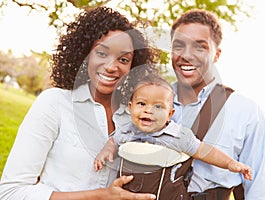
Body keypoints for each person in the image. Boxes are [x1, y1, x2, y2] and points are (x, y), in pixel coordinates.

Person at [0, 6, 158, 200]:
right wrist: (102, 196)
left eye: (123, 59)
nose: (111, 66)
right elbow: (11, 192)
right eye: (101, 53)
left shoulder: (134, 118)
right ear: (84, 55)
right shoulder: (54, 103)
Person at [170, 9, 265, 199]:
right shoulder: (145, 102)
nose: (186, 55)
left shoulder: (245, 111)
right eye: (179, 46)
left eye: (200, 47)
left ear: (216, 54)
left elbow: (261, 190)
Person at [93, 72, 252, 199]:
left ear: (170, 114)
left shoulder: (177, 136)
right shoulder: (126, 131)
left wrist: (230, 163)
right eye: (142, 104)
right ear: (130, 107)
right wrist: (106, 151)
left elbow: (204, 151)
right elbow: (114, 141)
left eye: (158, 106)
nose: (148, 110)